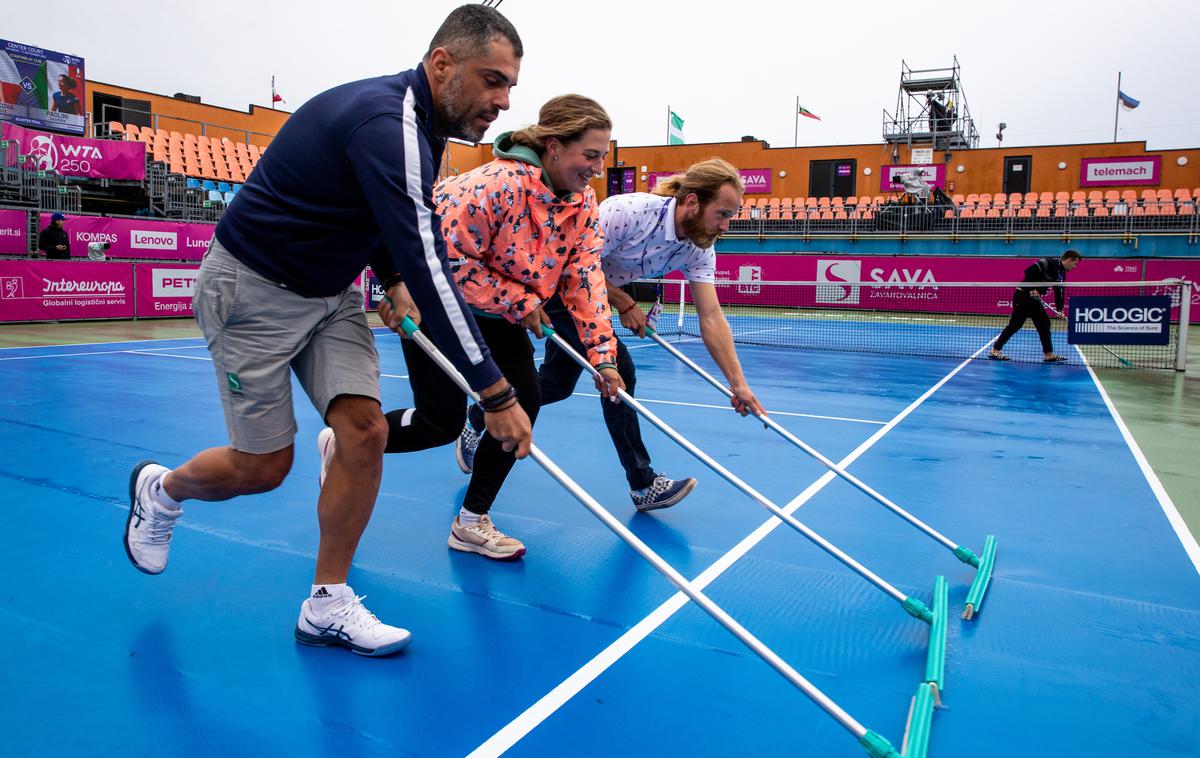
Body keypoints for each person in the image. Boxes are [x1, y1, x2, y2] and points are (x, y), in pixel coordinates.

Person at [122, 5, 529, 657]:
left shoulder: (424, 130)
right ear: (442, 63)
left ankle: (326, 603)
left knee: (364, 433)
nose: (503, 100)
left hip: (329, 290)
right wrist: (496, 394)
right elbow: (430, 260)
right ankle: (162, 490)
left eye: (510, 85)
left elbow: (381, 223)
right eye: (492, 80)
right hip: (250, 289)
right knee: (264, 467)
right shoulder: (384, 119)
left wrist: (390, 278)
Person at [367, 94, 623, 561]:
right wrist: (521, 299)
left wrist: (602, 357)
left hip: (498, 314)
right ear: (553, 147)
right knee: (438, 424)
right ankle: (348, 441)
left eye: (603, 156)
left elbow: (585, 278)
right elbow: (441, 260)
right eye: (590, 155)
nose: (597, 168)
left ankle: (470, 522)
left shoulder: (583, 202)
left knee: (524, 402)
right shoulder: (496, 184)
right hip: (436, 301)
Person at [457, 158, 766, 511]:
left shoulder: (699, 246)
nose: (726, 225)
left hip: (594, 300)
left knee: (555, 386)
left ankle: (480, 414)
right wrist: (622, 302)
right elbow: (575, 265)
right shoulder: (628, 212)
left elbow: (711, 316)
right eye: (723, 214)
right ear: (693, 202)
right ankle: (642, 484)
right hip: (559, 287)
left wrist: (737, 383)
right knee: (620, 372)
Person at [989, 249, 1082, 362]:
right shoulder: (1048, 262)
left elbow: (1059, 291)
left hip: (1035, 300)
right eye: (1075, 264)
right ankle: (995, 350)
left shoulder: (1061, 273)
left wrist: (1060, 309)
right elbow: (1029, 271)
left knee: (1044, 323)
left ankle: (1049, 354)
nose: (1075, 267)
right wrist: (1032, 288)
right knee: (1015, 324)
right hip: (1023, 296)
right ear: (1068, 260)